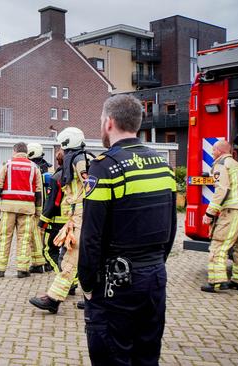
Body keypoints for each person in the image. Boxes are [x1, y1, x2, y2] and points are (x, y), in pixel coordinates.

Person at [79, 94, 177, 365]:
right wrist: (154, 264)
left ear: (109, 122)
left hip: (116, 284)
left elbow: (91, 237)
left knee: (113, 356)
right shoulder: (163, 165)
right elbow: (171, 229)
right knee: (146, 355)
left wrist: (87, 285)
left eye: (101, 120)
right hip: (155, 277)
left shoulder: (105, 167)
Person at [29, 127, 88, 313]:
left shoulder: (79, 161)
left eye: (61, 146)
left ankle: (54, 298)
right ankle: (91, 297)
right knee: (87, 258)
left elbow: (90, 187)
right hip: (78, 218)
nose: (60, 150)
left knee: (70, 258)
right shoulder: (79, 159)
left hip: (82, 217)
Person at [0, 142, 45, 278]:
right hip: (27, 210)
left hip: (7, 209)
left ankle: (0, 269)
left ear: (15, 151)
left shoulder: (7, 166)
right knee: (24, 239)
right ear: (26, 152)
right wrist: (38, 211)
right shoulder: (34, 168)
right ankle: (22, 269)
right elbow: (39, 193)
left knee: (4, 238)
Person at [201, 139, 238, 292]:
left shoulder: (221, 165)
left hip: (232, 210)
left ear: (219, 151)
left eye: (213, 151)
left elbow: (222, 190)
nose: (212, 153)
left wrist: (209, 212)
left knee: (219, 245)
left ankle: (217, 282)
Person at [38, 149, 67, 273]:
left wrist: (42, 224)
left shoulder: (56, 178)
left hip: (56, 223)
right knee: (69, 254)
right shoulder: (78, 177)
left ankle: (65, 278)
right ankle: (71, 280)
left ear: (58, 161)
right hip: (74, 222)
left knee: (49, 251)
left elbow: (51, 203)